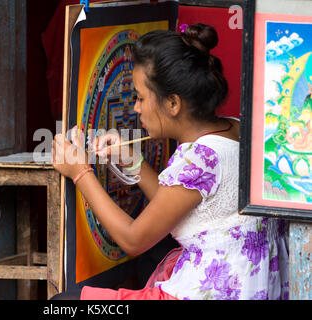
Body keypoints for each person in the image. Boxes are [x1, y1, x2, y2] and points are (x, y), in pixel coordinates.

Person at [51, 24, 289, 300]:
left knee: (63, 303)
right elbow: (178, 203)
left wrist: (80, 172)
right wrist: (134, 163)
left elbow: (133, 239)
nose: (136, 107)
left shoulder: (199, 158)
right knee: (153, 260)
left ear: (173, 104)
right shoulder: (238, 129)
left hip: (213, 293)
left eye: (140, 97)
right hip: (254, 287)